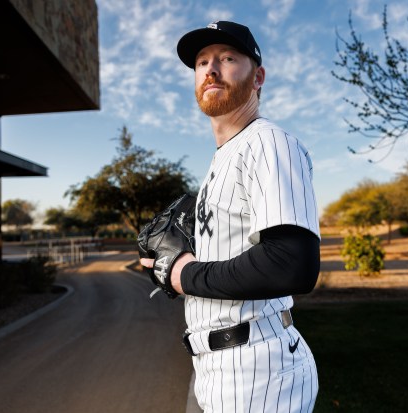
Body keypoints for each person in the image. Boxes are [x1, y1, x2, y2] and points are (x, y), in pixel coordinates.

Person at [142, 20, 321, 412]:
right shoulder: (222, 159)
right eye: (202, 62)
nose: (210, 68)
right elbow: (221, 259)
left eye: (226, 58)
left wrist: (184, 274)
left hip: (260, 370)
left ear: (258, 77)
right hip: (217, 367)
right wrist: (168, 263)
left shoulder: (268, 142)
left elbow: (292, 265)